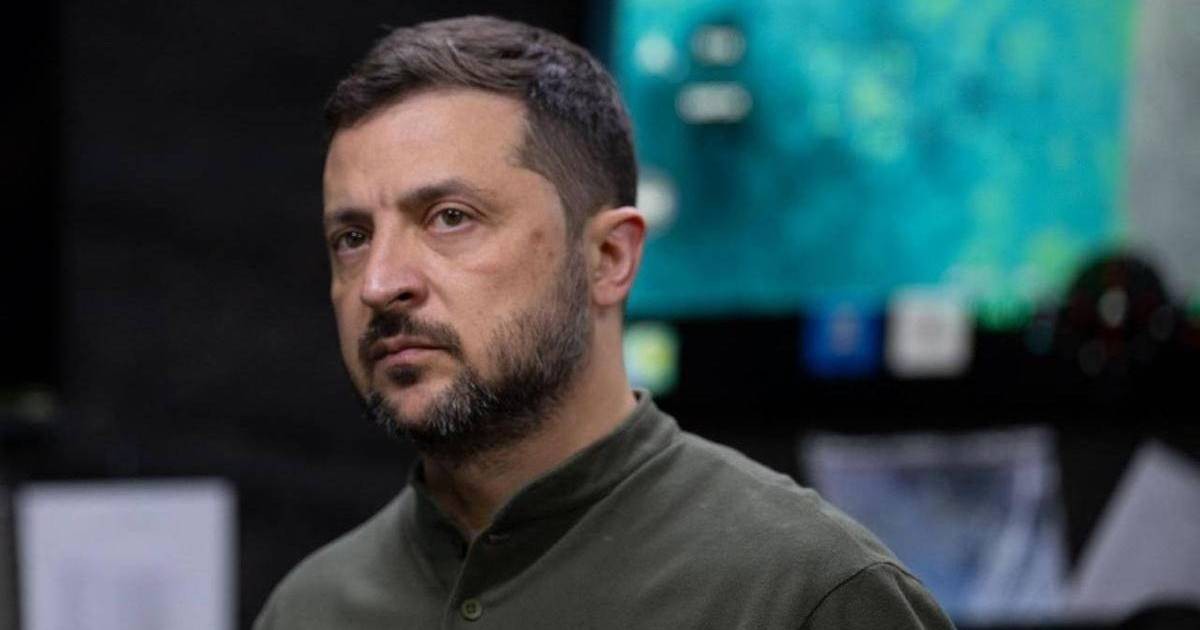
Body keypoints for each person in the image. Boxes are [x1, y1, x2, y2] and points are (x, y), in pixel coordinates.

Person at [254, 15, 954, 630]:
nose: (379, 283)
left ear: (609, 258)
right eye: (352, 237)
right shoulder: (310, 610)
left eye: (450, 218)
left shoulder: (806, 594)